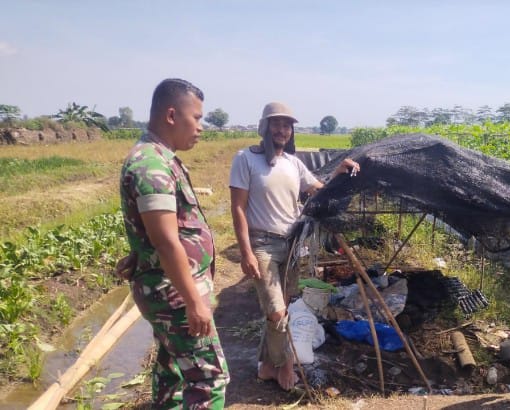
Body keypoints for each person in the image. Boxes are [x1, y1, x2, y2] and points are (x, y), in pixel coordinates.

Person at [229, 101, 359, 391]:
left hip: (290, 246)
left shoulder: (293, 163)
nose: (282, 129)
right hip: (261, 244)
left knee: (282, 309)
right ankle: (285, 367)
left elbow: (318, 190)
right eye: (276, 123)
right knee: (276, 311)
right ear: (264, 126)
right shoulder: (245, 159)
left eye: (287, 125)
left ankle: (265, 367)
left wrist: (339, 171)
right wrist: (245, 252)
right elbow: (237, 208)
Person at [118, 78, 229, 408]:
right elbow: (166, 241)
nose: (201, 127)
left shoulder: (161, 158)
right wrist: (194, 301)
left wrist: (139, 254)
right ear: (171, 115)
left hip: (167, 288)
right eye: (196, 118)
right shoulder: (151, 165)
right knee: (209, 377)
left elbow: (159, 231)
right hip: (174, 293)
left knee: (172, 371)